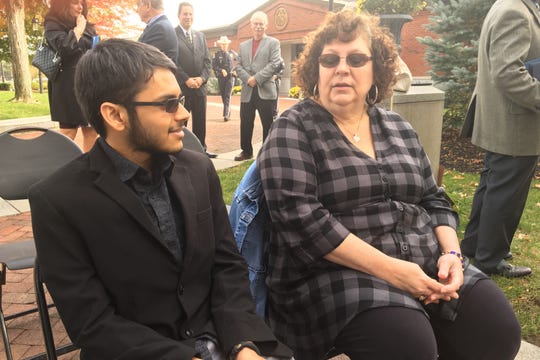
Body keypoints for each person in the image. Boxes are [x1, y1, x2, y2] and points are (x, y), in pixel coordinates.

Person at [257, 10, 521, 360]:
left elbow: (434, 199)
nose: (341, 68)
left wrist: (453, 256)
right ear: (314, 69)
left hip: (424, 260)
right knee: (406, 344)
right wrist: (394, 271)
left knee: (497, 330)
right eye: (330, 59)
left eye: (356, 59)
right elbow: (302, 220)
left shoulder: (398, 126)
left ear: (376, 69)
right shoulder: (292, 128)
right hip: (334, 274)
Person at [28, 38, 293, 360]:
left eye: (180, 99)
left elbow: (227, 267)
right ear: (115, 115)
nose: (183, 113)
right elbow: (91, 322)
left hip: (221, 339)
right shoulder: (58, 200)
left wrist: (244, 345)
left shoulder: (197, 169)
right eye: (167, 104)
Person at [460, 0, 538, 278]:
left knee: (493, 186)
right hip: (514, 125)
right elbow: (507, 73)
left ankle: (473, 247)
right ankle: (490, 259)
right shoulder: (515, 11)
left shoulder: (507, 5)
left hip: (504, 122)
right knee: (506, 195)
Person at [44, 0, 98, 152]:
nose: (80, 7)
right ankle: (60, 168)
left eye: (82, 3)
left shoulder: (87, 25)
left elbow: (95, 47)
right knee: (69, 131)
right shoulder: (53, 24)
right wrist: (78, 29)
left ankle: (89, 167)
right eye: (75, 3)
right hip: (67, 85)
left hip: (89, 83)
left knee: (91, 130)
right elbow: (64, 48)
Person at [234, 11, 281, 161]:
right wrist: (248, 79)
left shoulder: (274, 43)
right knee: (246, 122)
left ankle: (267, 152)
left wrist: (257, 78)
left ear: (266, 26)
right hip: (248, 90)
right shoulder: (243, 45)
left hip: (265, 90)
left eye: (261, 24)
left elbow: (274, 64)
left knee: (268, 123)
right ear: (251, 26)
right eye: (256, 24)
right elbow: (238, 66)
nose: (258, 27)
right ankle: (246, 151)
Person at [175, 2, 216, 158]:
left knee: (200, 122)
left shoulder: (200, 36)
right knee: (181, 123)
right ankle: (181, 152)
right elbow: (173, 61)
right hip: (183, 87)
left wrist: (202, 78)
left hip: (200, 88)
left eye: (190, 14)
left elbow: (207, 61)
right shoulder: (173, 35)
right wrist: (186, 79)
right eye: (185, 13)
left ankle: (201, 151)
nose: (188, 17)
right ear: (179, 15)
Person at [212, 35, 236, 122]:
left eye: (225, 44)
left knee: (227, 96)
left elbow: (241, 62)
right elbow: (214, 66)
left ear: (227, 44)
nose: (224, 45)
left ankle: (226, 114)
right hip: (221, 78)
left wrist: (235, 70)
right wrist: (221, 70)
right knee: (223, 95)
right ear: (220, 45)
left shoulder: (232, 53)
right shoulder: (217, 55)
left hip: (230, 77)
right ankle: (228, 110)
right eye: (222, 44)